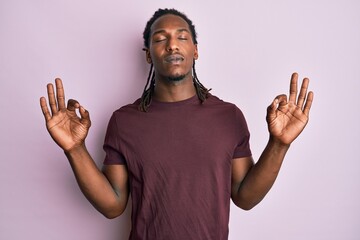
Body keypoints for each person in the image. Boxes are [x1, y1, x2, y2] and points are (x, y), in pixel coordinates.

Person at [40, 8, 313, 240]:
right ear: (148, 54)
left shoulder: (229, 117)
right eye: (161, 39)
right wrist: (74, 149)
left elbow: (245, 196)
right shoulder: (124, 121)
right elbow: (113, 205)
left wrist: (279, 144)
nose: (172, 44)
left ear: (195, 51)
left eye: (182, 37)